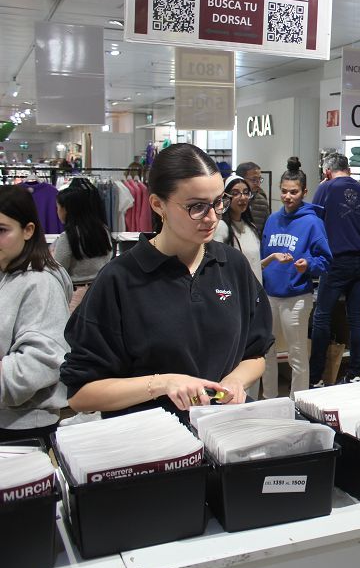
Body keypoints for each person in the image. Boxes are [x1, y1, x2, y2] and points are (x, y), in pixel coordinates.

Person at [61, 144, 274, 416]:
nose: (211, 217)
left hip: (221, 435)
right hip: (151, 445)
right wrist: (162, 383)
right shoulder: (120, 279)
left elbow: (255, 353)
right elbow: (81, 394)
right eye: (196, 206)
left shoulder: (232, 265)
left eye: (218, 202)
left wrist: (234, 381)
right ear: (157, 204)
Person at [0, 186, 73, 445]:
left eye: (2, 230)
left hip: (21, 426)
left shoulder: (40, 283)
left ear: (28, 230)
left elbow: (40, 363)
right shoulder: (6, 271)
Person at [260, 158, 332, 397]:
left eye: (293, 192)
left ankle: (298, 402)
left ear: (304, 192)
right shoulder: (272, 219)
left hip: (296, 297)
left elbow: (326, 260)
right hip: (269, 294)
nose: (288, 196)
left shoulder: (312, 222)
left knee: (297, 353)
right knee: (265, 351)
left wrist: (308, 264)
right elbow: (263, 256)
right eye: (283, 191)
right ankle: (269, 399)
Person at [309, 153, 360, 385]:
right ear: (348, 169)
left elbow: (313, 225)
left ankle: (316, 376)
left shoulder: (326, 189)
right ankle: (355, 373)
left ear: (327, 172)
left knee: (322, 317)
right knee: (356, 318)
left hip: (335, 261)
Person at [53, 179, 114, 310]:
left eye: (58, 207)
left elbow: (59, 269)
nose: (57, 211)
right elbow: (108, 257)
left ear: (66, 209)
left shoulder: (68, 237)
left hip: (76, 295)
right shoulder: (102, 230)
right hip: (101, 290)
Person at [214, 175, 262, 283]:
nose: (243, 197)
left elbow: (253, 263)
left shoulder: (251, 227)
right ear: (225, 197)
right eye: (235, 193)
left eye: (246, 192)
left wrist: (272, 258)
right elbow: (216, 267)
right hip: (236, 291)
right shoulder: (222, 227)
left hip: (255, 291)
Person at [237, 161, 270, 235]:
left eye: (259, 179)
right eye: (254, 180)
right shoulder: (229, 200)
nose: (258, 183)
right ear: (241, 179)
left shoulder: (262, 201)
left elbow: (266, 230)